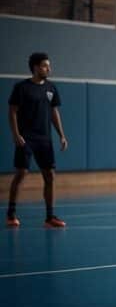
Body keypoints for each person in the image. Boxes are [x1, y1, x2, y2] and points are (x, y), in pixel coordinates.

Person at [6, 52, 68, 229]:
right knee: (21, 173)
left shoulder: (51, 88)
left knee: (50, 176)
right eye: (45, 65)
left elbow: (54, 113)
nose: (49, 68)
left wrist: (61, 135)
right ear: (35, 67)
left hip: (45, 139)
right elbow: (12, 112)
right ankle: (11, 214)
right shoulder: (21, 87)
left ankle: (50, 217)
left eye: (49, 65)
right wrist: (16, 134)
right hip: (26, 137)